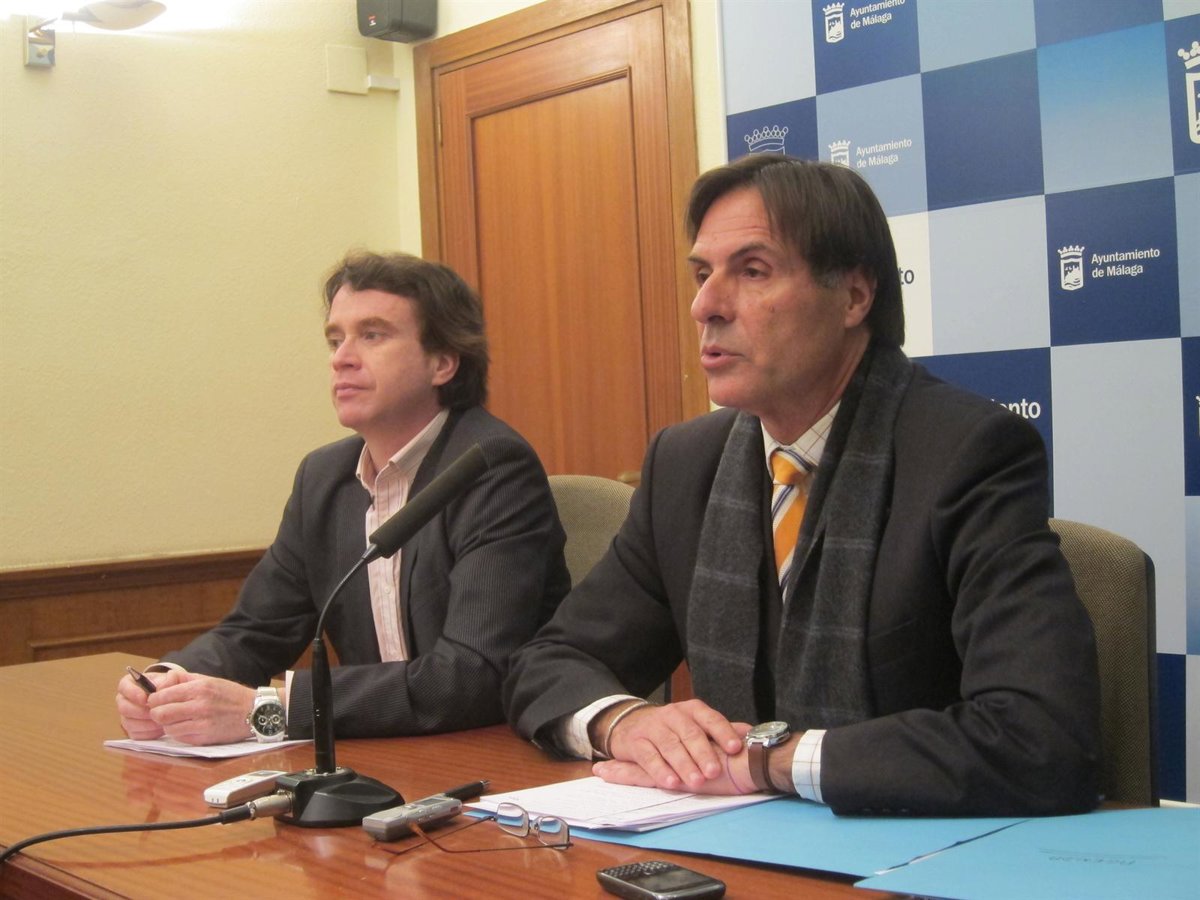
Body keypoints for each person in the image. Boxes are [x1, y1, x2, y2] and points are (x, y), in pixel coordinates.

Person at [503, 155, 1102, 816]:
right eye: (702, 275)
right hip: (729, 846)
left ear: (854, 297)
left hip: (913, 846)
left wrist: (772, 761)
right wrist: (625, 722)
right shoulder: (686, 464)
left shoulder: (966, 454)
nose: (705, 306)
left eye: (752, 271)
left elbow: (1041, 736)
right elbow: (548, 661)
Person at [117, 251, 570, 745]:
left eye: (372, 335)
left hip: (489, 752)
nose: (341, 358)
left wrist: (270, 709)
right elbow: (255, 631)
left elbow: (473, 673)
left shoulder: (491, 467)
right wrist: (169, 683)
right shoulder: (323, 478)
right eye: (336, 340)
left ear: (442, 363)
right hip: (380, 748)